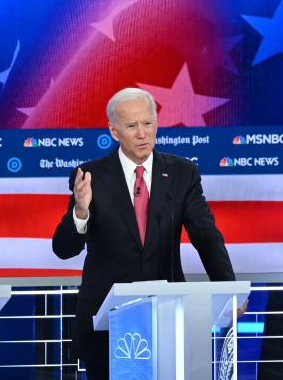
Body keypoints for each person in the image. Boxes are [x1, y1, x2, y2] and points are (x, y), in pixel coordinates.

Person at [52, 88, 240, 379]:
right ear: (114, 131)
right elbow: (64, 249)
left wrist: (228, 291)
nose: (142, 133)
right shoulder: (90, 176)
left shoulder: (183, 172)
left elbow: (206, 236)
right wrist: (80, 212)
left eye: (148, 123)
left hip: (165, 314)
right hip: (105, 320)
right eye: (131, 126)